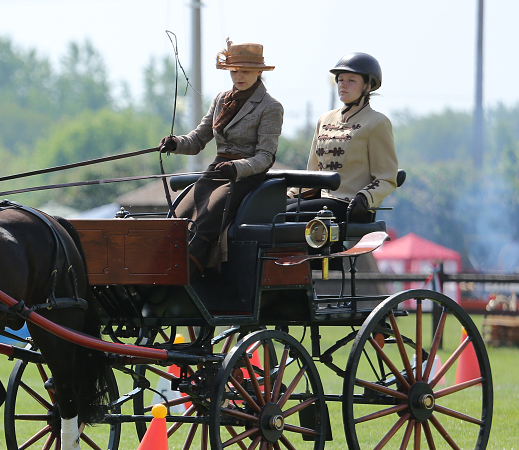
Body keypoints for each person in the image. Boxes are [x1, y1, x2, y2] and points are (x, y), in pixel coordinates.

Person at [158, 39, 283, 274]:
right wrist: (174, 143)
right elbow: (197, 140)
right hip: (217, 170)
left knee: (204, 220)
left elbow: (265, 157)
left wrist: (237, 168)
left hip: (247, 176)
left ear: (259, 72)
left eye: (245, 71)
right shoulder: (221, 99)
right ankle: (160, 270)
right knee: (177, 219)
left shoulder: (270, 107)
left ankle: (187, 276)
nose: (239, 76)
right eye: (234, 71)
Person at [286, 52, 398, 224]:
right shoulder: (325, 119)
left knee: (287, 213)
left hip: (350, 204)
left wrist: (365, 197)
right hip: (320, 200)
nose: (343, 85)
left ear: (368, 86)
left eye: (351, 80)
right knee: (271, 208)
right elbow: (312, 173)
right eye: (340, 79)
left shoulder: (377, 122)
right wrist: (288, 194)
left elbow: (387, 178)